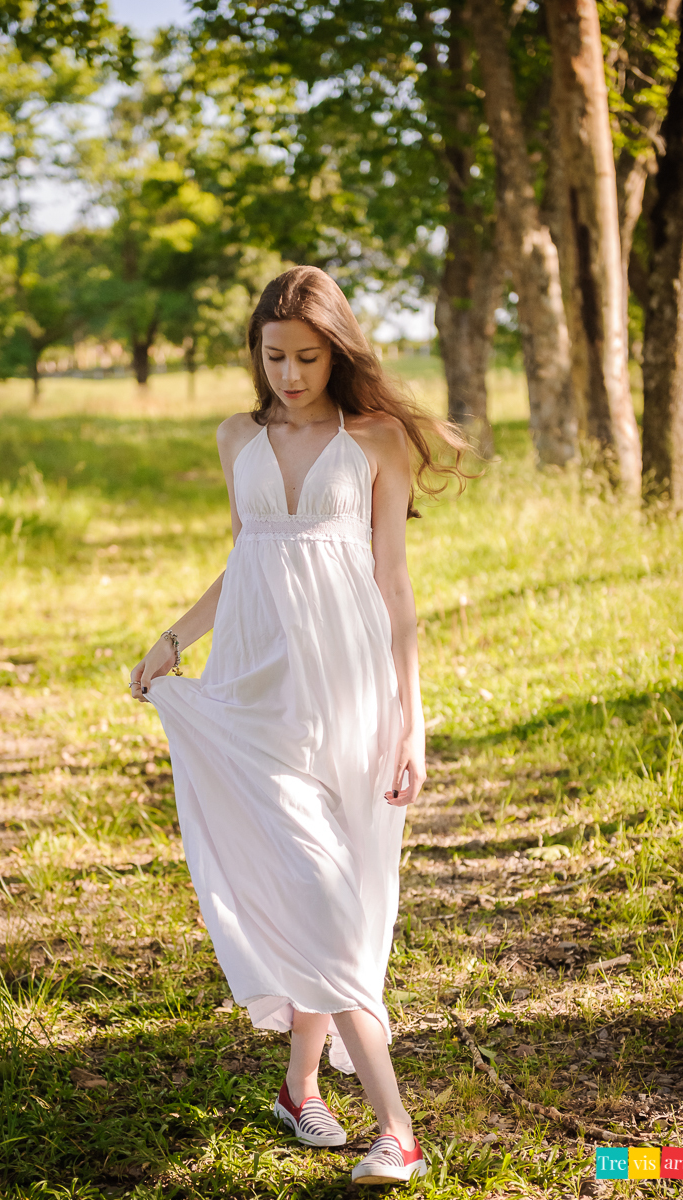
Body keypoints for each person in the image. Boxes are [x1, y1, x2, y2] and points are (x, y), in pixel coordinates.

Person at [129, 266, 469, 1185]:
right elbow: (246, 558)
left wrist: (412, 721)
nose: (289, 373)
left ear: (338, 349)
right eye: (273, 356)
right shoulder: (237, 435)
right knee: (315, 888)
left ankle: (299, 1083)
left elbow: (394, 586)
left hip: (351, 691)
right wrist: (171, 640)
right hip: (254, 685)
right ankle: (398, 1127)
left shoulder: (377, 439)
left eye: (307, 356)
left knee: (341, 887)